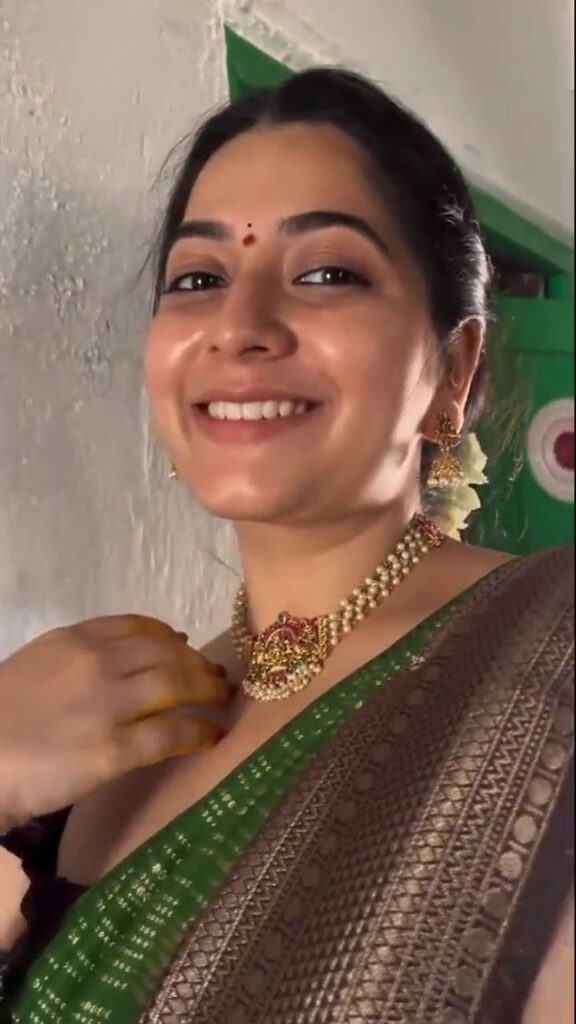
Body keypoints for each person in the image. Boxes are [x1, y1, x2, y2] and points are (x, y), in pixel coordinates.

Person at [0, 68, 572, 1024]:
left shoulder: (548, 662)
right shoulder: (90, 716)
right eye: (198, 279)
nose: (239, 327)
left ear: (453, 369)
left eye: (326, 274)